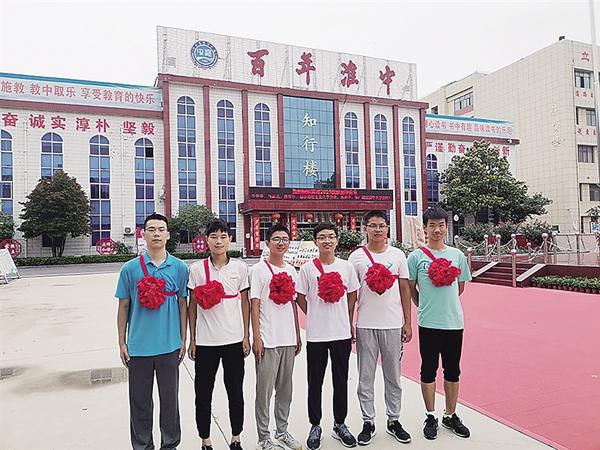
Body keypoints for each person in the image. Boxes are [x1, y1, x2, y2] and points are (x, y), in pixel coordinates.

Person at [115, 212, 189, 450]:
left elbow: (183, 304)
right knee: (140, 403)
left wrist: (183, 339)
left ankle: (170, 444)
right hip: (138, 348)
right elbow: (123, 306)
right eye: (151, 229)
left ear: (168, 235)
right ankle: (142, 445)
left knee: (170, 402)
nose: (156, 234)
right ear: (143, 234)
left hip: (169, 346)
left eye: (161, 229)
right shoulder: (130, 269)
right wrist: (122, 342)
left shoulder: (179, 268)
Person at [347, 211, 412, 446]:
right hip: (365, 325)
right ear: (365, 228)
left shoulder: (398, 255)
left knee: (393, 376)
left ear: (387, 229)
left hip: (392, 325)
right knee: (366, 377)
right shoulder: (356, 258)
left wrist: (407, 322)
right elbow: (352, 294)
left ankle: (394, 420)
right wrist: (349, 323)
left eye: (381, 226)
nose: (377, 230)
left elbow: (404, 289)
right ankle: (368, 421)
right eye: (373, 225)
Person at [407, 206, 472, 440]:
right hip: (428, 323)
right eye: (432, 225)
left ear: (446, 227)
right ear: (425, 228)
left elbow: (460, 287)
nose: (437, 229)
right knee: (428, 370)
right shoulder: (416, 257)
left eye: (441, 225)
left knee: (453, 370)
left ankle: (450, 415)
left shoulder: (457, 255)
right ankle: (431, 415)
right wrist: (423, 304)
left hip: (454, 323)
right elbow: (410, 287)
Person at [188, 219, 250, 450]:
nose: (218, 241)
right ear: (207, 240)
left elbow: (245, 303)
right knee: (203, 394)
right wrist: (193, 339)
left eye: (223, 236)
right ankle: (205, 439)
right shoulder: (196, 269)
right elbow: (192, 306)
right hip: (206, 343)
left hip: (234, 341)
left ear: (230, 239)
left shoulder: (240, 268)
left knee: (235, 392)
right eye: (214, 236)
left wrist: (246, 336)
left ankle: (236, 437)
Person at [296, 223, 360, 450]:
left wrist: (347, 318)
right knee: (315, 382)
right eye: (322, 237)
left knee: (340, 380)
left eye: (331, 237)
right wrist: (314, 313)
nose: (327, 241)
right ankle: (315, 425)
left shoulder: (346, 267)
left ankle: (340, 423)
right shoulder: (307, 269)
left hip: (341, 333)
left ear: (337, 240)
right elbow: (300, 297)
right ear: (315, 241)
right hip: (316, 335)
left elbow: (352, 294)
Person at [250, 224, 302, 450]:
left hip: (288, 338)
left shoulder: (291, 270)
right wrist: (257, 337)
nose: (281, 243)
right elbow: (254, 304)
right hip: (268, 340)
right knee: (264, 392)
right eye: (276, 239)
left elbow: (293, 304)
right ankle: (264, 437)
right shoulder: (258, 270)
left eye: (285, 239)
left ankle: (282, 431)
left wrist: (297, 333)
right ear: (267, 243)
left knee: (285, 390)